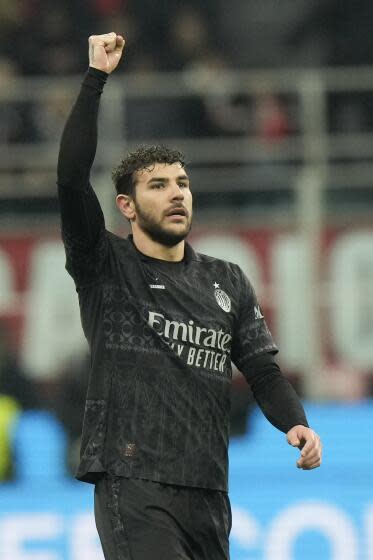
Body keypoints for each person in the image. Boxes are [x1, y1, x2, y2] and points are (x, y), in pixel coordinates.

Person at [57, 32, 322, 560]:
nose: (177, 192)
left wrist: (296, 422)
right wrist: (95, 79)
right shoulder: (105, 266)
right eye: (158, 185)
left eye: (183, 183)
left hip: (207, 487)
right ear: (127, 206)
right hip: (132, 482)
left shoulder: (227, 280)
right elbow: (69, 179)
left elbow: (262, 370)